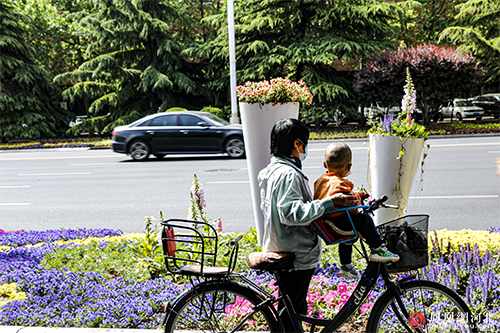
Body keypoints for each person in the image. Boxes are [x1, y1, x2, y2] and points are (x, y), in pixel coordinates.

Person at [258, 119, 358, 332]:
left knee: (292, 312)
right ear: (296, 144)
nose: (305, 149)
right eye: (304, 144)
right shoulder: (288, 174)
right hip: (296, 252)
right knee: (290, 317)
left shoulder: (272, 171)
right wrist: (330, 202)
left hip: (282, 243)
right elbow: (291, 213)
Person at [313, 142, 399, 280]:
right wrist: (360, 196)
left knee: (348, 238)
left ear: (325, 164)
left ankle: (346, 266)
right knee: (364, 220)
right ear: (349, 167)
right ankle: (378, 249)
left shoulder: (320, 181)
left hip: (329, 223)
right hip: (340, 222)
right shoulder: (342, 183)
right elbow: (351, 200)